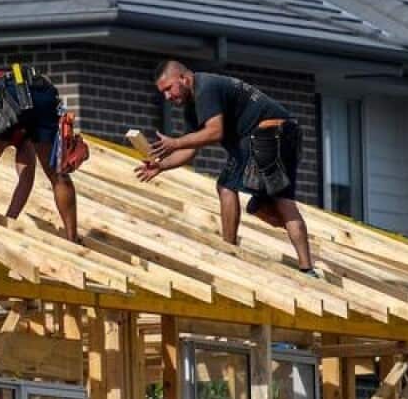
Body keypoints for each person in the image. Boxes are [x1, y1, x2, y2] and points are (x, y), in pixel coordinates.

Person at [137, 59, 321, 277]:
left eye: (169, 89)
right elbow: (192, 149)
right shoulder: (192, 107)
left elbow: (215, 132)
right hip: (284, 133)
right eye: (163, 93)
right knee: (267, 205)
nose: (167, 97)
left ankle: (228, 250)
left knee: (226, 185)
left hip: (268, 132)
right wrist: (161, 166)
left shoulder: (205, 88)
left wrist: (175, 142)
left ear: (184, 79)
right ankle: (307, 268)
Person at [0, 67, 79, 242]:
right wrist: (9, 220)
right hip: (42, 93)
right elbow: (26, 178)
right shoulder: (22, 136)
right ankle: (72, 238)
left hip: (9, 93)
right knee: (58, 174)